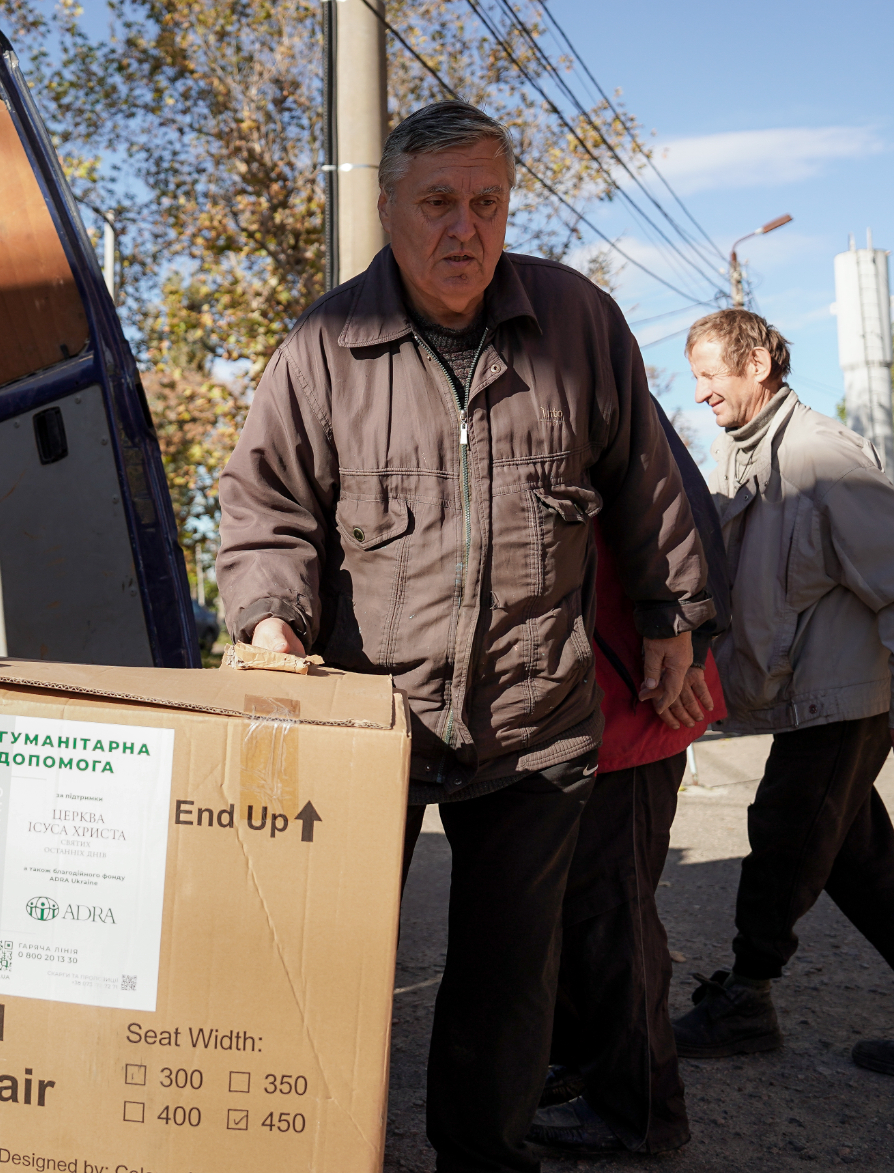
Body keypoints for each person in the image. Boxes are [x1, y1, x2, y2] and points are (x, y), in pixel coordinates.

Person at [216, 100, 717, 1173]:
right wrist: (269, 620)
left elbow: (645, 477)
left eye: (486, 203)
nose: (464, 228)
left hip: (536, 719)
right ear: (386, 206)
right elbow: (265, 506)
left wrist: (672, 614)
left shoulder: (579, 321)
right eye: (438, 202)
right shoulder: (320, 346)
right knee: (326, 959)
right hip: (369, 722)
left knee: (508, 977)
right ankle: (308, 1150)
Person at [671, 308, 894, 1086]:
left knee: (784, 836)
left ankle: (746, 999)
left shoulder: (820, 458)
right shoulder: (744, 455)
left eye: (709, 374)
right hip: (814, 692)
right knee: (855, 860)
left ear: (756, 363)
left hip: (843, 696)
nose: (699, 393)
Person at [530, 408, 730, 1157]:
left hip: (633, 697)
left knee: (613, 913)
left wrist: (692, 645)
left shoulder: (597, 378)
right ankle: (590, 1066)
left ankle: (640, 1112)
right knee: (571, 911)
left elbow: (692, 530)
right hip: (583, 702)